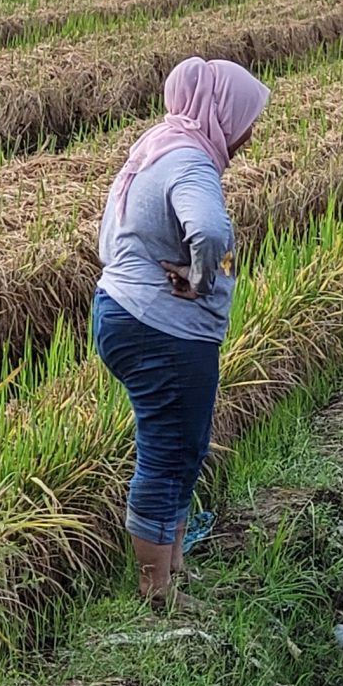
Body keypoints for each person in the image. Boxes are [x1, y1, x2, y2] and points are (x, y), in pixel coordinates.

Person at [92, 55, 270, 605]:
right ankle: (156, 593)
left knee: (182, 448)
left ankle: (173, 573)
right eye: (245, 118)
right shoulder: (191, 162)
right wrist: (199, 276)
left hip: (129, 314)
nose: (247, 133)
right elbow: (212, 229)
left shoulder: (160, 147)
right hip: (160, 328)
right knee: (168, 451)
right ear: (219, 111)